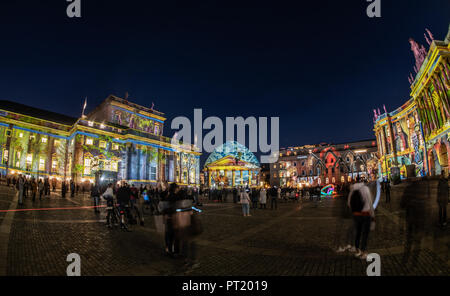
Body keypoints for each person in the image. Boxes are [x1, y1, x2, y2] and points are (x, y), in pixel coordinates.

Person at [347, 180, 375, 260]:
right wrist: (372, 216)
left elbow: (349, 203)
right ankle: (363, 252)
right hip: (366, 214)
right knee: (365, 234)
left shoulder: (353, 190)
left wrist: (355, 211)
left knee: (358, 232)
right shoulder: (366, 189)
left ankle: (357, 250)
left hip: (356, 215)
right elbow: (370, 203)